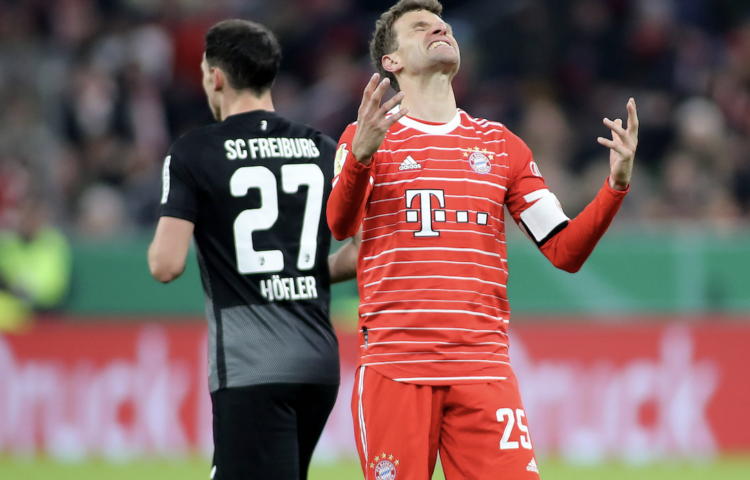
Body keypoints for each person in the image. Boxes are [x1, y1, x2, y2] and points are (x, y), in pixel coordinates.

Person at [326, 1, 639, 479]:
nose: (440, 30)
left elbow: (565, 250)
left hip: (483, 370)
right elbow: (340, 225)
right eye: (421, 27)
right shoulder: (364, 137)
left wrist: (614, 187)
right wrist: (361, 157)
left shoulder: (500, 145)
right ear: (392, 61)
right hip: (397, 367)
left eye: (443, 25)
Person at [147, 19, 358, 480]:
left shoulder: (194, 152)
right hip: (318, 364)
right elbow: (366, 251)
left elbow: (165, 265)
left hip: (252, 366)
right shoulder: (321, 147)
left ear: (216, 77)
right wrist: (302, 272)